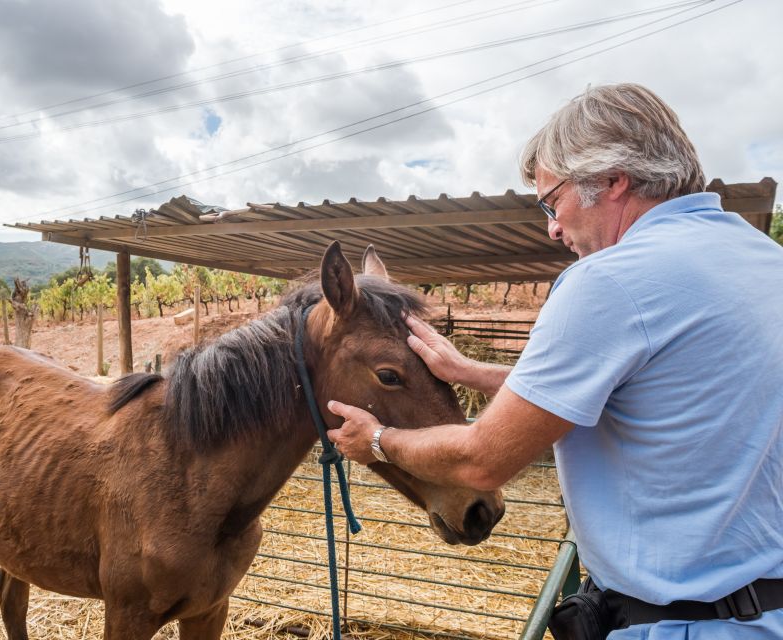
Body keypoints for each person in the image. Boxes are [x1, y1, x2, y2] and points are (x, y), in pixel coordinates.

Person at [326, 83, 783, 639]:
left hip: (684, 623)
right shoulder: (764, 262)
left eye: (552, 201)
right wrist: (477, 373)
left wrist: (376, 441)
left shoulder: (610, 281)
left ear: (614, 180)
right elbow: (667, 387)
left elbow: (481, 462)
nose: (553, 225)